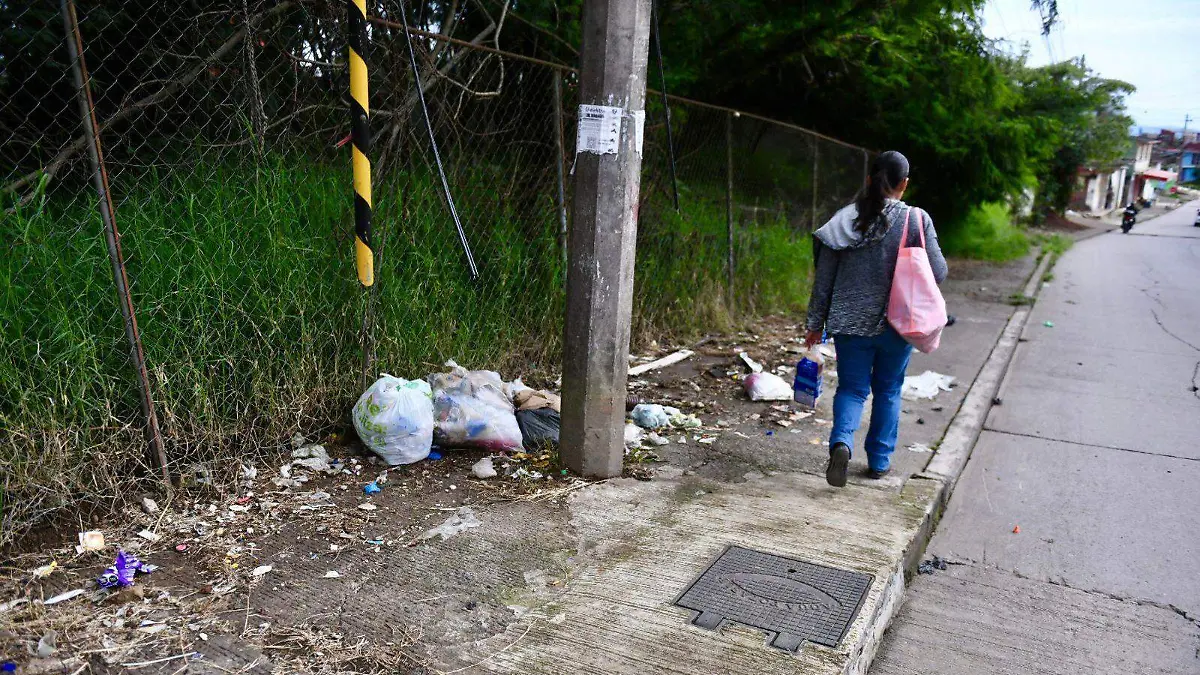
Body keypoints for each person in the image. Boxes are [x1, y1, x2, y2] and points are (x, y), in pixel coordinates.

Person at [804, 151, 947, 487]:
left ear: (869, 180)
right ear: (904, 184)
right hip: (898, 324)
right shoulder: (915, 219)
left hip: (848, 324)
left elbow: (823, 277)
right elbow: (938, 271)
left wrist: (815, 323)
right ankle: (879, 461)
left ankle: (841, 444)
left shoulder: (843, 220)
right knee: (888, 390)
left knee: (852, 389)